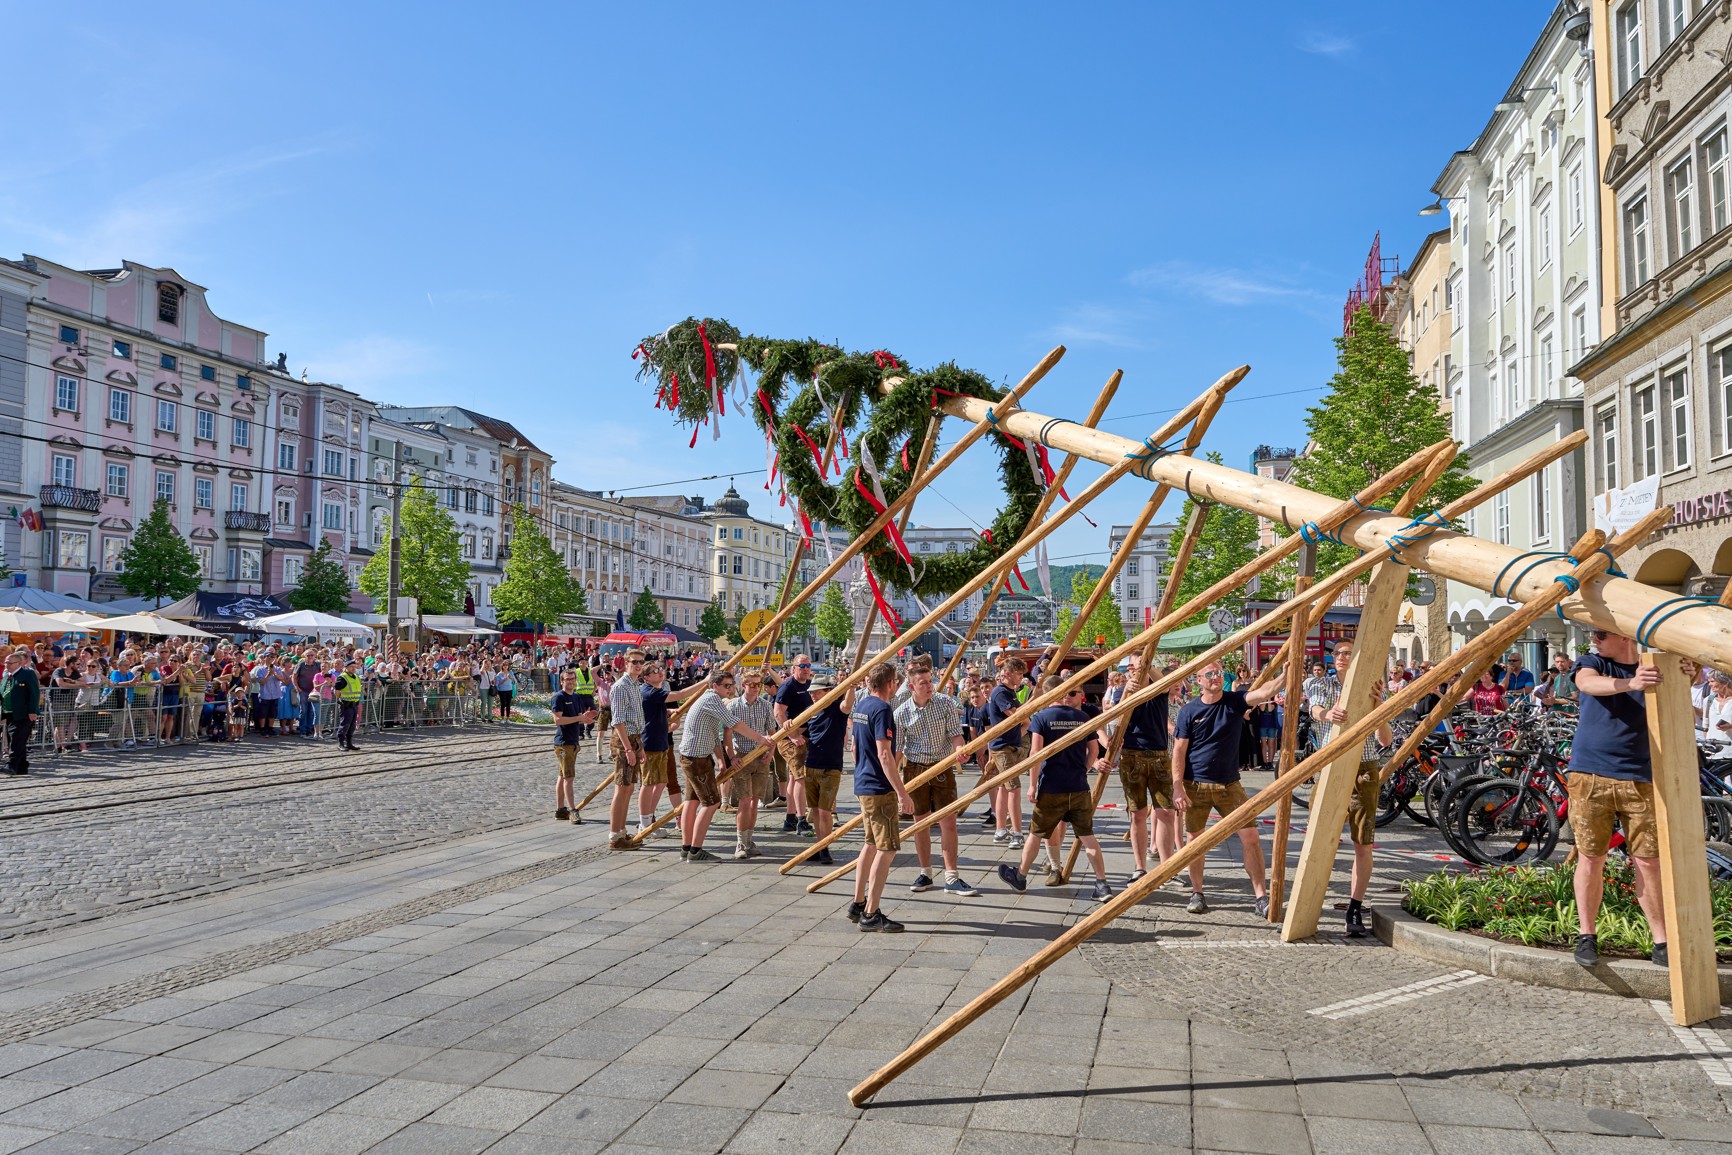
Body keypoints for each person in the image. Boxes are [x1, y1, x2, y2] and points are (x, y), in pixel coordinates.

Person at [1568, 629, 1668, 968]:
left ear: (1626, 635)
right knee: (1591, 857)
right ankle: (1587, 935)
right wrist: (1631, 685)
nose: (1592, 639)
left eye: (1599, 634)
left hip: (1641, 778)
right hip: (1589, 776)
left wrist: (1687, 671)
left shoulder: (1653, 666)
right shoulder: (1592, 662)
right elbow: (1587, 684)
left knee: (1649, 862)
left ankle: (1662, 941)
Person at [1173, 659, 1280, 916]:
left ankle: (1260, 897)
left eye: (1219, 673)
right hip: (1195, 784)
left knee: (1251, 838)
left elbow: (1265, 693)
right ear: (1199, 681)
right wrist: (1177, 786)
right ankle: (1197, 893)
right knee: (1195, 842)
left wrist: (1286, 675)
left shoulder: (1234, 701)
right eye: (1210, 674)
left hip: (1230, 785)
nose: (1216, 677)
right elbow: (1179, 750)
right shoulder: (1188, 711)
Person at [1306, 640, 1393, 937]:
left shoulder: (1373, 687)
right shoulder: (1322, 683)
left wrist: (1379, 707)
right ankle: (1308, 900)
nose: (1342, 658)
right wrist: (1327, 714)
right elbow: (1315, 708)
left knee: (1363, 842)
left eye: (1348, 654)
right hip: (1331, 763)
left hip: (1364, 767)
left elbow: (1385, 740)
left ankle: (1355, 905)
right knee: (1319, 837)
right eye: (1338, 654)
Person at [999, 677, 1114, 902]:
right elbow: (1093, 750)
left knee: (1036, 833)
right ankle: (1102, 884)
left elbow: (1036, 754)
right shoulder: (1082, 717)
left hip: (1052, 786)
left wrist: (1033, 785)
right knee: (1088, 836)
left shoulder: (1041, 718)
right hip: (1078, 786)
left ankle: (1020, 877)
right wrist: (1085, 768)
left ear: (1048, 695)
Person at [892, 663, 978, 897]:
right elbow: (898, 751)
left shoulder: (945, 703)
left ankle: (951, 875)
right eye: (924, 683)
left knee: (948, 822)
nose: (930, 686)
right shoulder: (901, 713)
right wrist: (893, 783)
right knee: (920, 823)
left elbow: (956, 736)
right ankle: (926, 872)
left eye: (930, 681)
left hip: (942, 768)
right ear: (911, 687)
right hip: (915, 770)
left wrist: (961, 750)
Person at [674, 670, 773, 862]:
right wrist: (760, 738)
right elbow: (734, 724)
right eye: (726, 685)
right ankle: (695, 850)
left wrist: (720, 760)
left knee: (692, 802)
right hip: (696, 758)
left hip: (694, 756)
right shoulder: (712, 700)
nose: (730, 689)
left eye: (731, 685)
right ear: (714, 686)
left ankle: (687, 848)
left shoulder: (712, 700)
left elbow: (713, 735)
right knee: (711, 803)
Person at [845, 662, 915, 932]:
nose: (897, 687)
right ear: (889, 684)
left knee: (871, 844)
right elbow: (885, 754)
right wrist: (902, 792)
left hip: (863, 782)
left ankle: (858, 902)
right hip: (878, 786)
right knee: (887, 848)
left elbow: (853, 748)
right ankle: (871, 913)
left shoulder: (861, 705)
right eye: (896, 682)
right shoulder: (883, 709)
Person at [1119, 654, 1177, 882]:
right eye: (1132, 667)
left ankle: (1167, 867)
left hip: (1159, 754)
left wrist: (1148, 664)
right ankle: (1140, 867)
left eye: (1139, 665)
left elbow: (1163, 682)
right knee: (1137, 813)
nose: (1136, 670)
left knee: (1165, 812)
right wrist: (1126, 692)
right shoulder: (1126, 691)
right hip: (1132, 755)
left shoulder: (1157, 688)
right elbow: (1118, 717)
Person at [636, 661, 703, 839]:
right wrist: (706, 681)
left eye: (660, 670)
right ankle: (643, 823)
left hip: (662, 743)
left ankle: (650, 821)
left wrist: (668, 711)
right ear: (647, 677)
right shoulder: (648, 691)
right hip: (649, 744)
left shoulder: (655, 692)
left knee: (660, 783)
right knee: (648, 783)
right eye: (655, 671)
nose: (660, 673)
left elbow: (658, 708)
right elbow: (680, 694)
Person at [725, 671, 778, 858]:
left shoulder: (765, 705)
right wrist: (732, 757)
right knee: (744, 801)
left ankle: (749, 840)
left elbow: (772, 733)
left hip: (761, 758)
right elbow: (727, 736)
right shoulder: (734, 706)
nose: (755, 688)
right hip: (742, 757)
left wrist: (770, 753)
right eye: (751, 684)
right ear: (743, 685)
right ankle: (740, 843)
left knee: (756, 802)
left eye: (758, 684)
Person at [802, 674, 851, 866]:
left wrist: (851, 686)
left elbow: (847, 705)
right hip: (811, 765)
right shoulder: (810, 711)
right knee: (814, 810)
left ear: (828, 692)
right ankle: (819, 847)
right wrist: (788, 725)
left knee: (824, 811)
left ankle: (825, 847)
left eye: (817, 692)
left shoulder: (837, 708)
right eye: (811, 692)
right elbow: (798, 732)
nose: (813, 695)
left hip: (831, 767)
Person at [985, 656, 1030, 849]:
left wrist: (1017, 738)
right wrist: (1033, 703)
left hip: (1011, 746)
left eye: (1022, 675)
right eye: (1018, 674)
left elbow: (1025, 722)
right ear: (1008, 673)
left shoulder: (1011, 692)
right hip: (1002, 748)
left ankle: (1000, 829)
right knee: (1014, 789)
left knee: (1004, 788)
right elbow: (1016, 716)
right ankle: (1017, 833)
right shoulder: (1000, 692)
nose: (1020, 678)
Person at [606, 651, 648, 850]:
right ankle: (615, 836)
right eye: (634, 662)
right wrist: (628, 748)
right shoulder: (621, 687)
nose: (638, 665)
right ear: (626, 663)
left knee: (629, 788)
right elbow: (618, 721)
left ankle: (622, 831)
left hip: (634, 739)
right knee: (621, 788)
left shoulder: (635, 686)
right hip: (624, 740)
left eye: (641, 662)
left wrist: (639, 746)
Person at [774, 654, 816, 837]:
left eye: (808, 665)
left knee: (793, 777)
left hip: (803, 736)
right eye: (801, 666)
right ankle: (801, 821)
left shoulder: (809, 684)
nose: (805, 669)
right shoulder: (788, 686)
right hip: (788, 738)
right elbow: (778, 713)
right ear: (793, 668)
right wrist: (792, 736)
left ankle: (789, 819)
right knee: (800, 777)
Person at [550, 669, 600, 821]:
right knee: (569, 778)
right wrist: (578, 718)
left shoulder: (577, 697)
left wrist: (585, 719)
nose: (571, 681)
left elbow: (578, 717)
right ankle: (572, 810)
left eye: (572, 679)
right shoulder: (558, 697)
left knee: (562, 776)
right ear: (561, 681)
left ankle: (560, 809)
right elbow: (557, 720)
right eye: (567, 679)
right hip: (563, 743)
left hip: (573, 741)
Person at [1, 650, 42, 776]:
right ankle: (22, 767)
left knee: (17, 739)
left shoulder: (27, 674)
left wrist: (32, 711)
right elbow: (3, 692)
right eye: (5, 662)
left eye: (10, 663)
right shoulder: (7, 676)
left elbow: (34, 694)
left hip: (23, 713)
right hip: (9, 712)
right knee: (18, 740)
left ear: (19, 663)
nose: (6, 665)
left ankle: (11, 765)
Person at [334, 659, 366, 751]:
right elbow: (336, 692)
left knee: (352, 725)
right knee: (345, 724)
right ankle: (341, 744)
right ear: (346, 667)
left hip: (354, 704)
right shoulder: (342, 677)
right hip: (346, 704)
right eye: (351, 667)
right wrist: (342, 699)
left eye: (354, 667)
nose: (353, 668)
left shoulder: (356, 676)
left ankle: (349, 743)